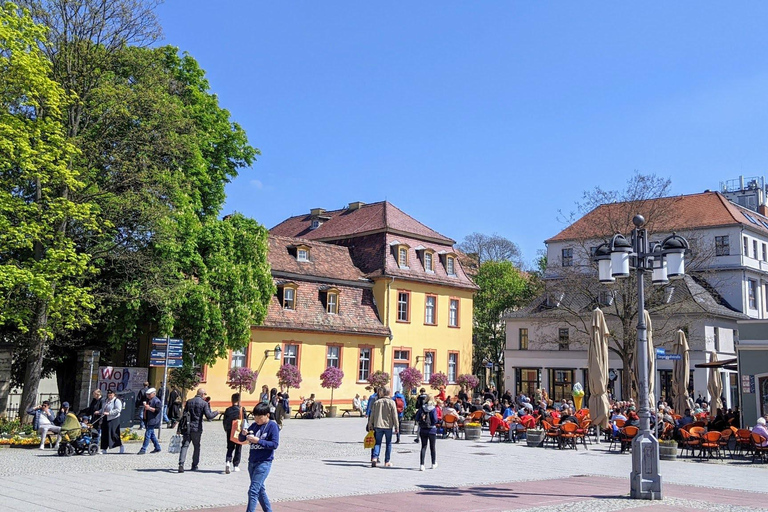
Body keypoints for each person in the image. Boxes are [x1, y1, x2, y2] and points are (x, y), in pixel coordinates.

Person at [239, 402, 280, 512]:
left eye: (259, 417)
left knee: (253, 491)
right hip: (252, 462)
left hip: (264, 462)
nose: (257, 419)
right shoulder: (254, 425)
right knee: (260, 490)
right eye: (255, 417)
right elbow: (241, 440)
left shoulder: (272, 426)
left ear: (267, 415)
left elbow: (274, 444)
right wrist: (243, 434)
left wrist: (259, 441)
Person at [178, 388, 219, 472]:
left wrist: (179, 428)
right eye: (205, 394)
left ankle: (181, 464)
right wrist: (216, 412)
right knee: (196, 447)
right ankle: (194, 465)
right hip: (197, 428)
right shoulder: (204, 403)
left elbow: (184, 416)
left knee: (185, 445)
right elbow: (209, 416)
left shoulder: (189, 401)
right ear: (202, 394)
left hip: (187, 427)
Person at [367, 386, 399, 467]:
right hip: (388, 426)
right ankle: (387, 461)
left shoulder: (377, 402)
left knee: (377, 443)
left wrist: (370, 424)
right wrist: (397, 426)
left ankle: (374, 457)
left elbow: (372, 415)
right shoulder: (392, 402)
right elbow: (395, 416)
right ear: (389, 393)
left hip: (378, 425)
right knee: (388, 443)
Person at [223, 393, 247, 474]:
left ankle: (228, 462)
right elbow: (245, 421)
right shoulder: (242, 409)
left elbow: (224, 421)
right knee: (238, 447)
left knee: (230, 447)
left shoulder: (228, 410)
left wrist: (226, 429)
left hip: (230, 430)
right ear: (239, 400)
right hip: (238, 431)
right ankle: (236, 465)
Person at [416, 395, 438, 471]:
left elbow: (416, 418)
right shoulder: (433, 409)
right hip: (432, 430)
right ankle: (433, 463)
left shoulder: (422, 408)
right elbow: (435, 420)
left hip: (423, 429)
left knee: (423, 447)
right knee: (432, 447)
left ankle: (422, 465)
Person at [137, 387, 162, 454]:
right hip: (147, 419)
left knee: (148, 434)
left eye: (149, 394)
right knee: (152, 435)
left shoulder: (157, 401)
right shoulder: (149, 400)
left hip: (153, 420)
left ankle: (143, 449)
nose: (147, 396)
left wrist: (149, 408)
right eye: (147, 394)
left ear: (154, 394)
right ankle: (157, 447)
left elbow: (158, 410)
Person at [100, 389, 124, 454]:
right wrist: (99, 412)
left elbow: (118, 410)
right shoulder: (106, 400)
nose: (109, 396)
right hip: (105, 418)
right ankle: (104, 448)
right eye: (109, 394)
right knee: (104, 433)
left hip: (114, 419)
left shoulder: (117, 401)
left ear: (114, 394)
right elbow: (103, 408)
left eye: (111, 394)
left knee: (113, 433)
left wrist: (109, 413)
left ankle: (120, 445)